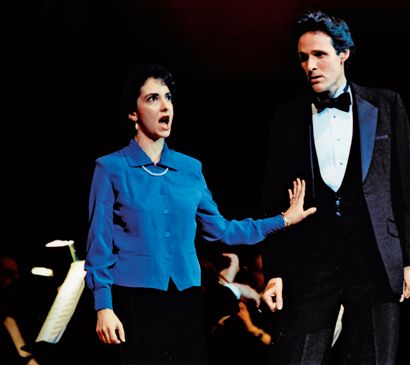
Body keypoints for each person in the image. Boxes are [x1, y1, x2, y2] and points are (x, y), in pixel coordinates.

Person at [84, 63, 316, 365]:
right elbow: (98, 247)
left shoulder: (190, 169)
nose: (165, 105)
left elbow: (221, 230)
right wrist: (104, 307)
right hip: (134, 300)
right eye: (153, 98)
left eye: (168, 97)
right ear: (133, 113)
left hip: (186, 299)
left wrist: (283, 219)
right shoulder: (110, 168)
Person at [259, 10, 410, 365]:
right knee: (298, 357)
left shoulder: (386, 105)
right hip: (312, 261)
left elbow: (406, 187)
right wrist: (273, 271)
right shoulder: (287, 118)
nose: (310, 66)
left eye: (319, 54)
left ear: (343, 53)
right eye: (303, 58)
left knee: (375, 358)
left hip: (374, 258)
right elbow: (272, 199)